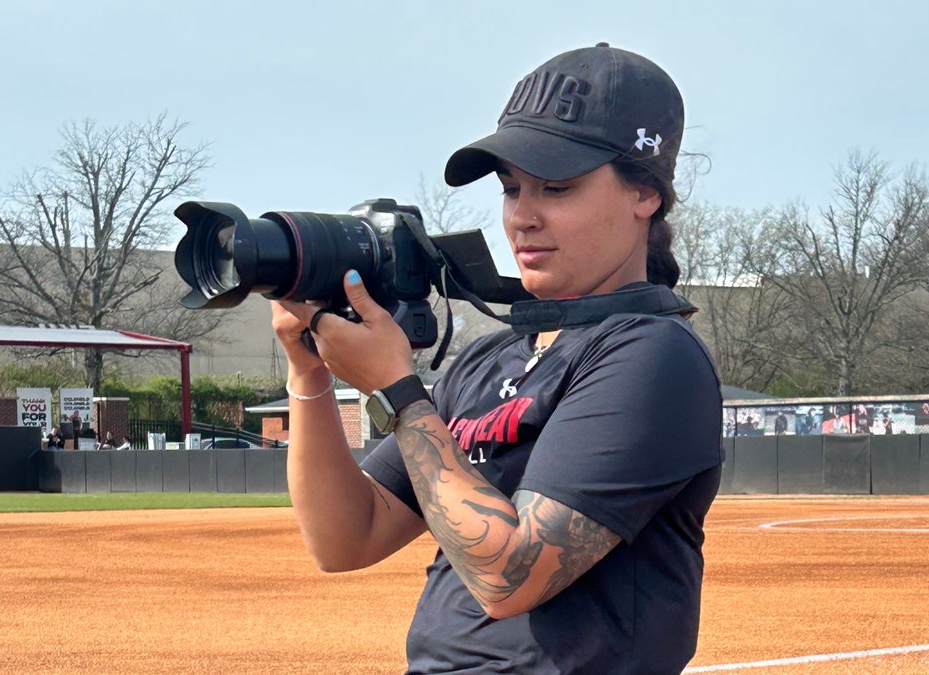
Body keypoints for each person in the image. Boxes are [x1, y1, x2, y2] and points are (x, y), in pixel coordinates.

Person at [272, 43, 723, 673]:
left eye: (557, 188)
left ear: (644, 194)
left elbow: (510, 577)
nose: (523, 217)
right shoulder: (492, 358)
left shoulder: (650, 355)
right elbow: (347, 537)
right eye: (512, 189)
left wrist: (400, 393)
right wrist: (309, 373)